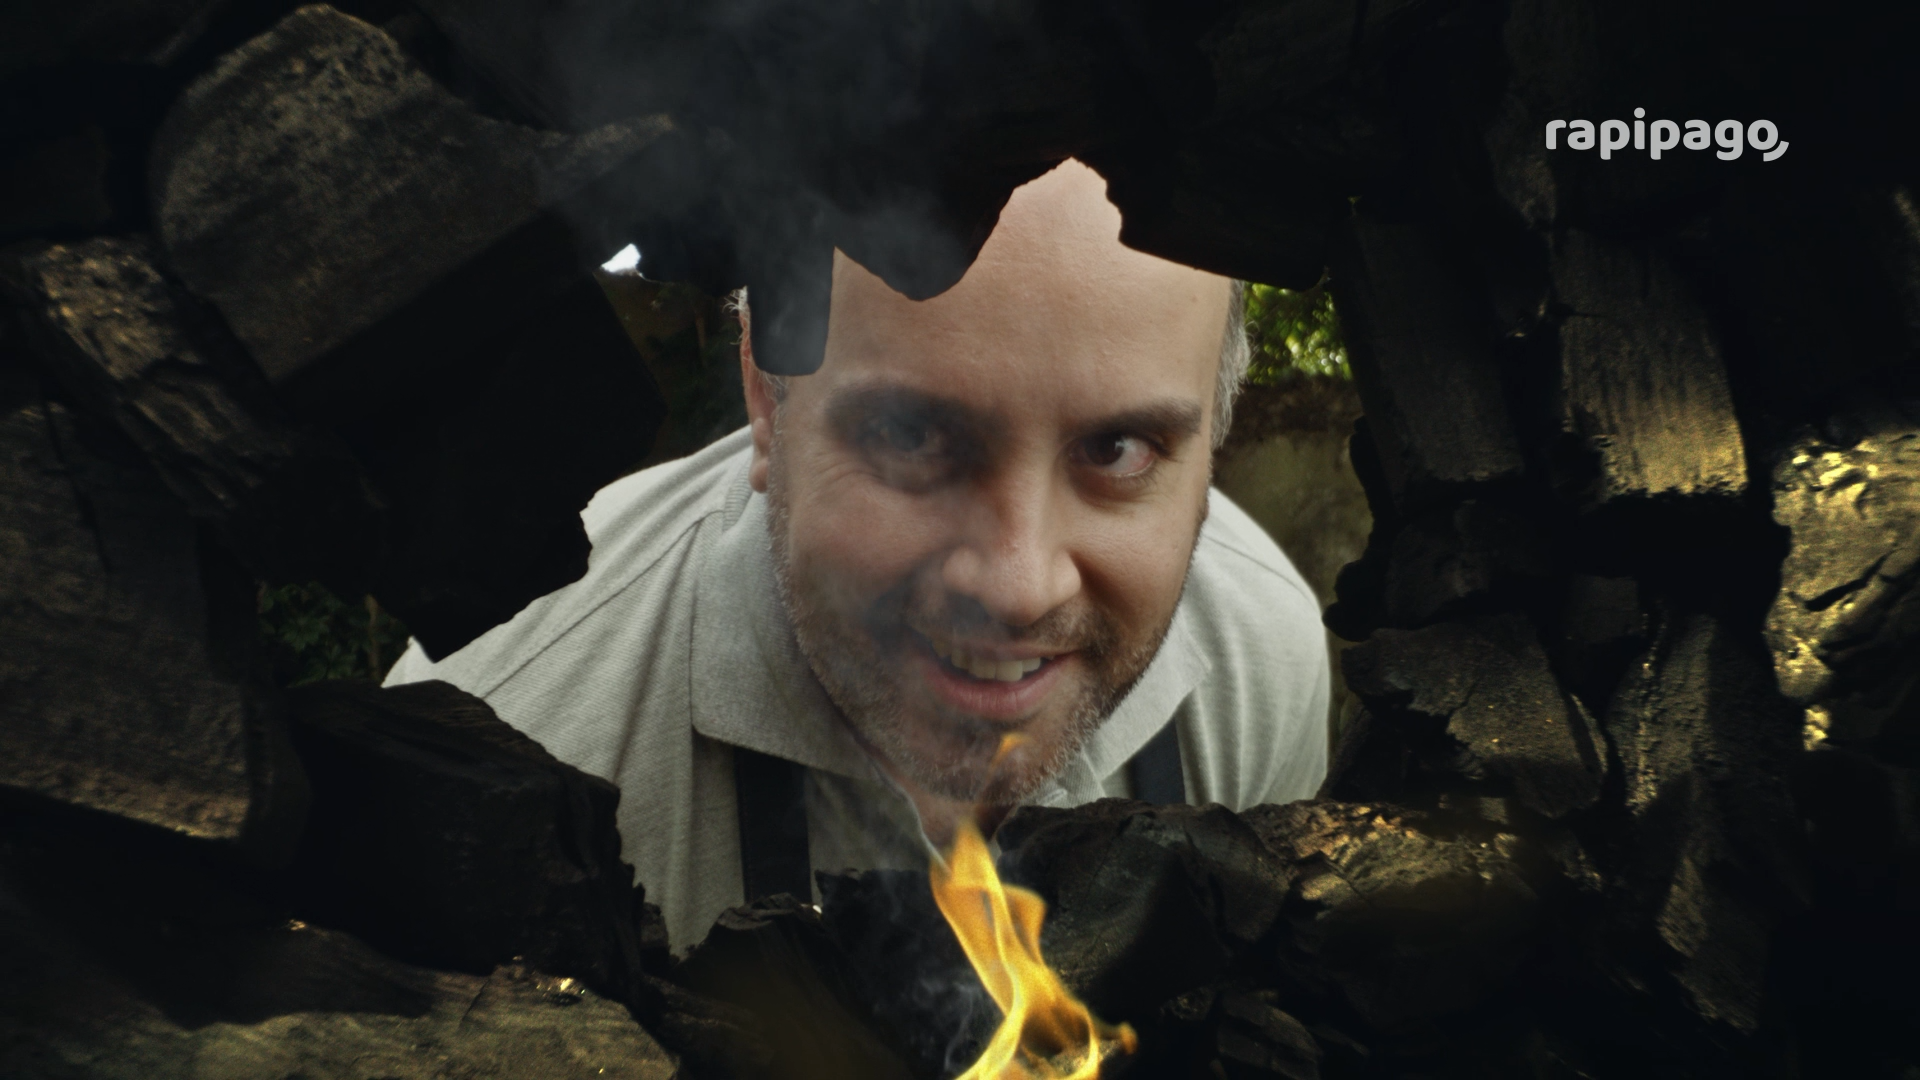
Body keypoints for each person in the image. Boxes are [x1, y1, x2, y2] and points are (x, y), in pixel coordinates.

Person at [383, 159, 1329, 950]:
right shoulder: (505, 726)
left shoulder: (1265, 661)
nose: (1018, 585)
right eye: (911, 436)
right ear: (768, 396)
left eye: (1116, 450)